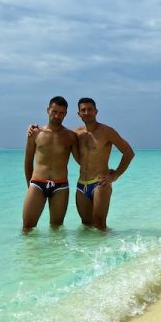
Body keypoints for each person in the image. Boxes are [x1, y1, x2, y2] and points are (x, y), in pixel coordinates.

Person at [28, 97, 135, 231]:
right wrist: (33, 128)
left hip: (100, 183)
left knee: (99, 225)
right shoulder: (76, 134)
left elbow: (129, 152)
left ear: (96, 111)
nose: (86, 112)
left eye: (90, 109)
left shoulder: (107, 132)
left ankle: (108, 250)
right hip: (81, 186)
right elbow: (59, 136)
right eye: (83, 110)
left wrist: (116, 175)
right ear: (78, 114)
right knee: (86, 226)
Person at [22, 96, 78, 231]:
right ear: (48, 110)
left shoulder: (71, 136)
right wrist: (29, 185)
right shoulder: (35, 133)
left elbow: (82, 160)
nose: (57, 115)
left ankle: (54, 253)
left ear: (65, 114)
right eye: (54, 111)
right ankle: (29, 253)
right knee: (27, 227)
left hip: (61, 186)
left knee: (56, 229)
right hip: (37, 183)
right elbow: (28, 160)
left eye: (61, 113)